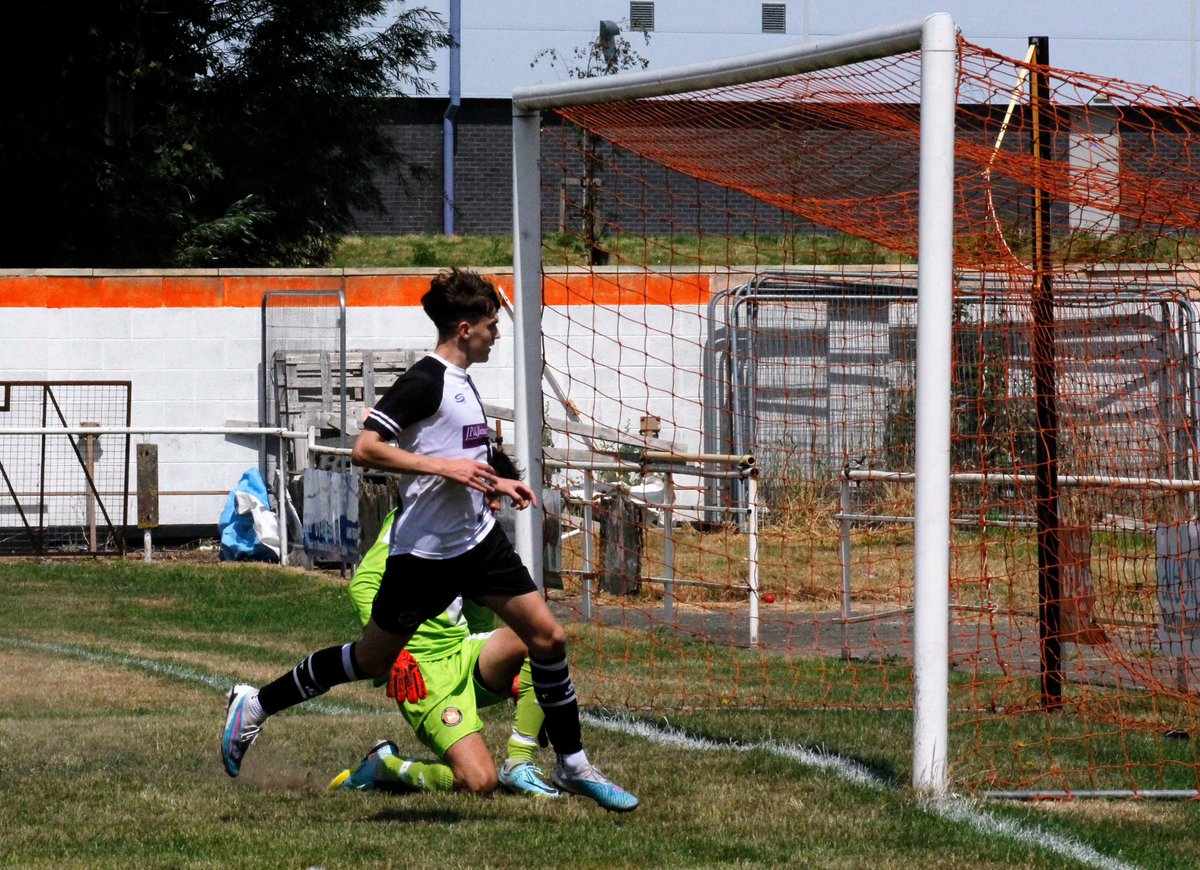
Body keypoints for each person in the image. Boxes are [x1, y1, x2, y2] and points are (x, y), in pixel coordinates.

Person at [221, 267, 637, 812]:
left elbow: (460, 458)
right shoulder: (425, 380)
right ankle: (257, 704)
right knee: (370, 661)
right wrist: (443, 468)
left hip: (478, 545)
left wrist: (493, 478)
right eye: (491, 325)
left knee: (549, 638)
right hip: (425, 557)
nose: (496, 334)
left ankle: (573, 762)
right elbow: (366, 450)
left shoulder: (465, 383)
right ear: (465, 329)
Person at [327, 501, 557, 798]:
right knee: (479, 782)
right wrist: (393, 649)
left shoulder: (470, 527)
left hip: (462, 651)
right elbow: (363, 584)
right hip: (423, 671)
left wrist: (510, 670)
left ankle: (519, 764)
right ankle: (384, 766)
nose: (498, 505)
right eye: (492, 493)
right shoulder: (411, 519)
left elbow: (476, 607)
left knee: (539, 639)